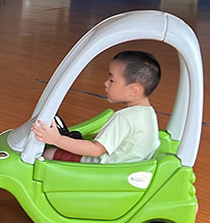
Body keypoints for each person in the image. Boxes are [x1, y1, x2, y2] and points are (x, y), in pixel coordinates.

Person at [32, 50, 161, 164]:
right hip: (125, 166)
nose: (105, 83)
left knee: (48, 153)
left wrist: (57, 139)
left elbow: (96, 150)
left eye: (111, 80)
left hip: (101, 168)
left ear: (133, 90)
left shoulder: (123, 118)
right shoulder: (149, 114)